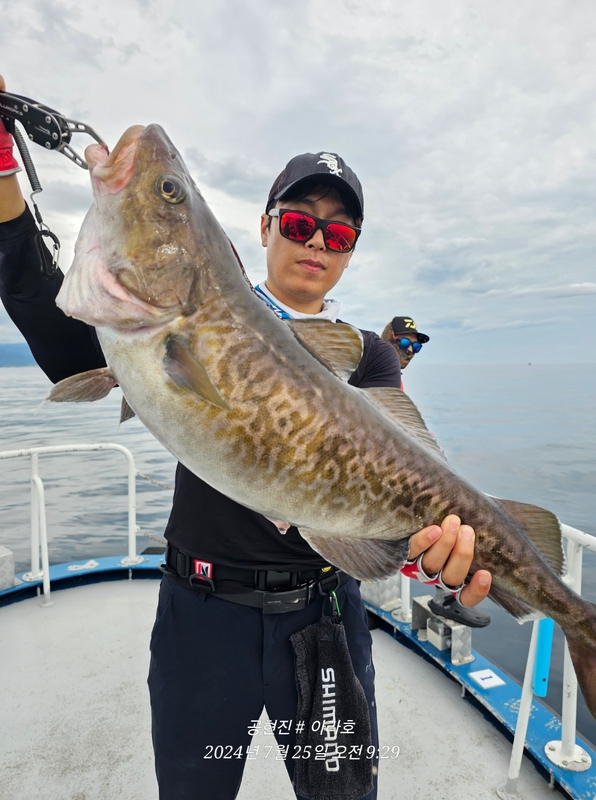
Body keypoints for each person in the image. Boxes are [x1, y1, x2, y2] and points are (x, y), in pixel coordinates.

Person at [0, 76, 491, 800]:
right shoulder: (167, 325)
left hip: (325, 612)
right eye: (298, 223)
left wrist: (434, 555)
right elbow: (53, 330)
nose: (318, 243)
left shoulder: (368, 354)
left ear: (352, 252)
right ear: (263, 229)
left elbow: (403, 481)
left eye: (340, 234)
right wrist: (7, 175)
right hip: (201, 615)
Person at [382, 316, 492, 629]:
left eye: (416, 346)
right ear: (390, 337)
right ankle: (445, 597)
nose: (411, 350)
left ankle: (446, 594)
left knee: (451, 527)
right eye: (405, 342)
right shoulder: (375, 367)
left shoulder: (394, 377)